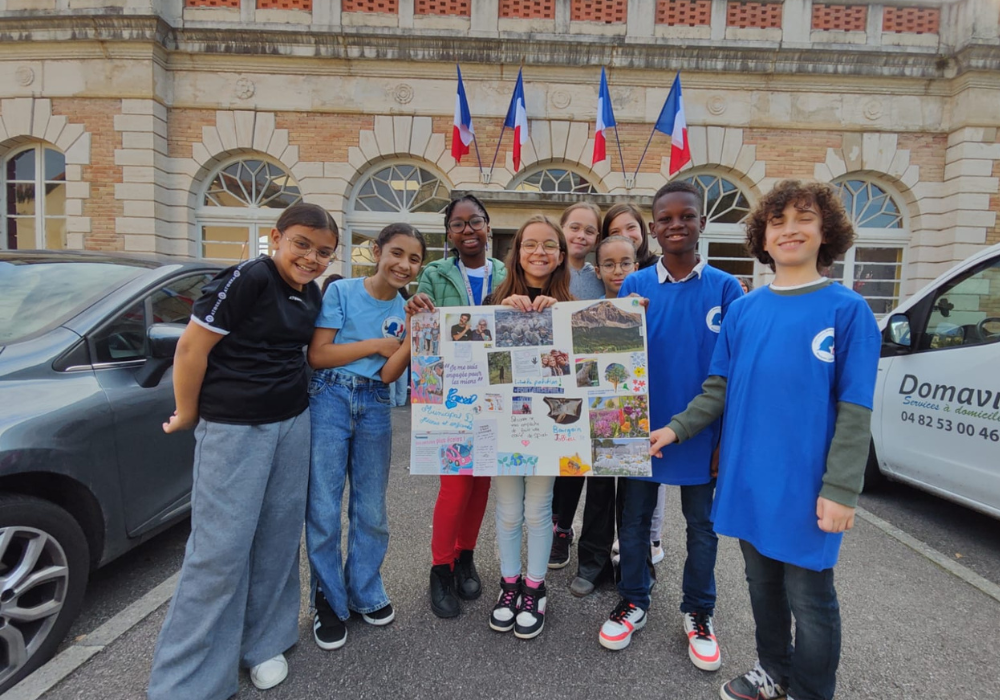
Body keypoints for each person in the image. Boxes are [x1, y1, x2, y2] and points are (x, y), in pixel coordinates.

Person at [650, 180, 881, 700]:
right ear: (762, 235)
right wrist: (676, 427)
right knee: (762, 586)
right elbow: (718, 389)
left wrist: (842, 488)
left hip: (808, 484)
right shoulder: (745, 310)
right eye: (777, 221)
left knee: (810, 596)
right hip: (747, 476)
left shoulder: (848, 311)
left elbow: (855, 408)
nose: (790, 229)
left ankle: (811, 689)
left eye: (804, 218)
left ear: (827, 232)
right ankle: (772, 670)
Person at [147, 203, 339, 699]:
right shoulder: (248, 276)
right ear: (276, 237)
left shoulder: (311, 291)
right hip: (235, 427)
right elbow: (191, 348)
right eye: (302, 244)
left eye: (323, 252)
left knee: (277, 539)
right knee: (219, 551)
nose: (311, 258)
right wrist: (186, 411)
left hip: (292, 422)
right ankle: (187, 681)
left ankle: (264, 643)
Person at [599, 182, 743, 676]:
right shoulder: (634, 286)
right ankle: (633, 600)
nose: (676, 224)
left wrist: (725, 440)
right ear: (652, 228)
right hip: (642, 432)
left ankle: (699, 613)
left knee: (702, 529)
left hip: (702, 435)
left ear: (703, 223)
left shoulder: (727, 288)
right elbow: (610, 363)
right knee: (634, 523)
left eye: (687, 216)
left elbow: (734, 376)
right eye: (665, 217)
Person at [306, 223, 425, 651]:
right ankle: (327, 598)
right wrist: (376, 343)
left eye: (413, 259)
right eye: (396, 253)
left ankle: (364, 590)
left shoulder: (404, 308)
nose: (403, 264)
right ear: (376, 251)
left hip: (375, 402)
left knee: (371, 506)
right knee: (323, 503)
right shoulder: (340, 292)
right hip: (329, 396)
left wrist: (413, 331)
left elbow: (390, 373)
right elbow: (318, 355)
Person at [405, 194, 508, 619]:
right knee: (455, 484)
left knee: (482, 481)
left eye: (476, 222)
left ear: (488, 225)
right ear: (448, 233)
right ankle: (440, 568)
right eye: (458, 224)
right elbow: (422, 330)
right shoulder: (435, 272)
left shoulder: (504, 270)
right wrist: (414, 309)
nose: (468, 230)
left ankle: (466, 556)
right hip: (451, 391)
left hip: (497, 389)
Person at [485, 214, 573, 639]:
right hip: (502, 427)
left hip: (549, 429)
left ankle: (535, 588)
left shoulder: (571, 306)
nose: (539, 252)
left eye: (549, 246)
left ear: (560, 256)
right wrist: (498, 314)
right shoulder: (489, 302)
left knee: (539, 510)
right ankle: (508, 584)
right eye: (530, 245)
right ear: (516, 253)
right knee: (506, 511)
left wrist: (565, 316)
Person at [566, 235, 640, 598]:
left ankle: (633, 565)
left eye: (625, 263)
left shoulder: (646, 306)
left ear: (637, 265)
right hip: (596, 415)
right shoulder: (586, 310)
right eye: (609, 264)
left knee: (634, 497)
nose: (618, 270)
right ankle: (592, 563)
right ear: (598, 269)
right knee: (597, 493)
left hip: (636, 415)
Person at [549, 202, 605, 569]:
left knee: (579, 462)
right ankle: (555, 526)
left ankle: (568, 531)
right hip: (550, 376)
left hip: (587, 377)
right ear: (562, 228)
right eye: (574, 227)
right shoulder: (548, 266)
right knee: (551, 462)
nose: (581, 235)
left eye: (589, 230)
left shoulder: (598, 277)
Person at [602, 202, 659, 270]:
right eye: (615, 232)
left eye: (631, 227)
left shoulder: (660, 269)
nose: (625, 236)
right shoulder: (602, 273)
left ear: (641, 229)